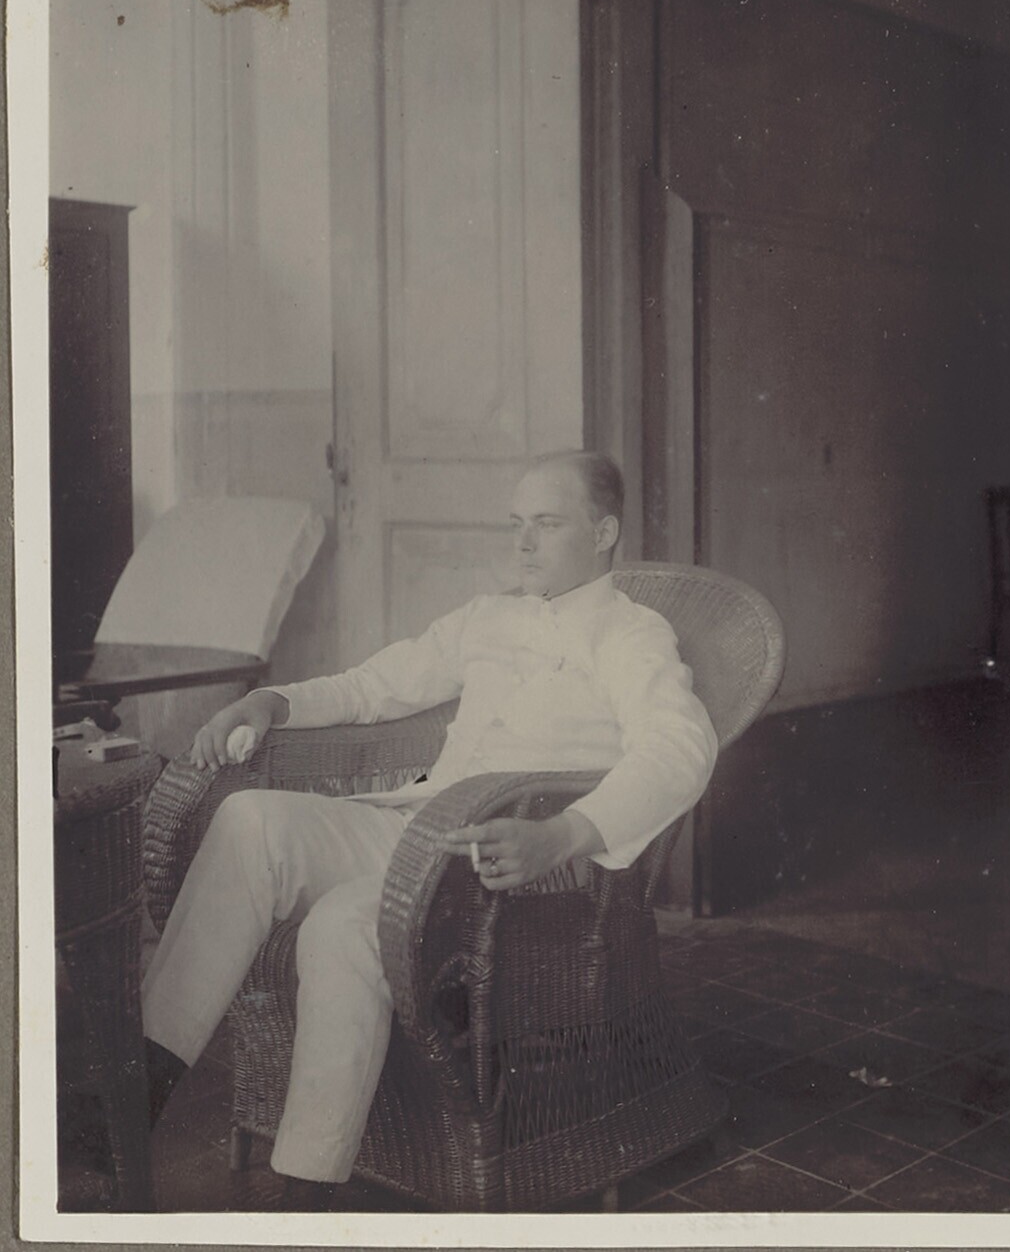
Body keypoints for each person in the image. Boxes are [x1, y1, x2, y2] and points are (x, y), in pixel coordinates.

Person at [141, 450, 718, 1207]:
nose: (523, 544)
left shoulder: (631, 635)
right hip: (415, 827)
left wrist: (566, 833)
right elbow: (376, 685)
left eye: (546, 524)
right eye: (516, 524)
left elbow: (681, 750)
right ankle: (134, 1094)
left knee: (347, 923)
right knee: (248, 818)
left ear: (604, 532)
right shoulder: (489, 617)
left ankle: (304, 1193)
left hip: (504, 872)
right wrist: (272, 703)